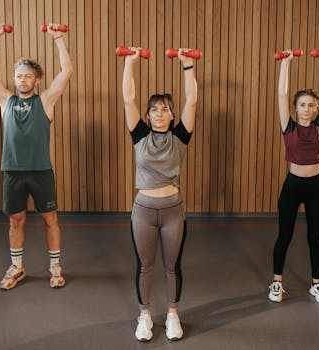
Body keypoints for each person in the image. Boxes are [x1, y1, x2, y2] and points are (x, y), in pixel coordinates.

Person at [0, 23, 73, 290]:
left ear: (37, 80)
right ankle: (17, 267)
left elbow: (66, 71)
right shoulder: (5, 101)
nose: (22, 80)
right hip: (12, 172)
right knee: (15, 220)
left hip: (41, 171)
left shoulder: (45, 101)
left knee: (50, 219)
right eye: (19, 76)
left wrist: (58, 39)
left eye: (28, 76)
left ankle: (55, 266)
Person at [122, 48, 197, 341]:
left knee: (172, 266)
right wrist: (130, 63)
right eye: (155, 109)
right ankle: (144, 316)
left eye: (166, 108)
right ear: (147, 115)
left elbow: (192, 100)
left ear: (173, 114)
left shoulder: (180, 138)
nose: (160, 113)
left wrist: (188, 66)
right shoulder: (139, 136)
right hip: (143, 211)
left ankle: (172, 315)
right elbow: (128, 98)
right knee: (145, 266)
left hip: (172, 211)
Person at [268, 50, 319, 305]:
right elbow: (281, 94)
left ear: (316, 109)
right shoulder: (289, 126)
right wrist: (286, 63)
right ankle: (277, 282)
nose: (307, 109)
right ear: (295, 108)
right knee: (284, 235)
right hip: (292, 187)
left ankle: (317, 285)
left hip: (315, 187)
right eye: (302, 105)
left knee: (314, 237)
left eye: (311, 105)